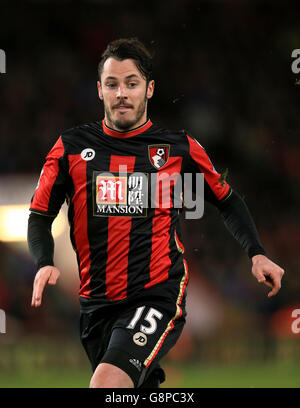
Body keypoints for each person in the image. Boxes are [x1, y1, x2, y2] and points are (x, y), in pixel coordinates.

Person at [27, 38, 285, 388]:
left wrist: (257, 254)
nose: (121, 93)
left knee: (106, 385)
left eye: (131, 83)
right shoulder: (71, 148)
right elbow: (40, 215)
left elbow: (227, 199)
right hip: (95, 304)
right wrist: (44, 261)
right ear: (99, 90)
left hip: (156, 294)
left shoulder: (177, 149)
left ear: (149, 89)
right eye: (112, 84)